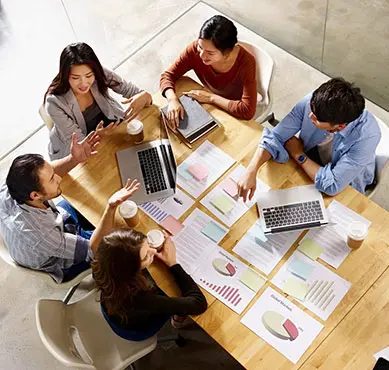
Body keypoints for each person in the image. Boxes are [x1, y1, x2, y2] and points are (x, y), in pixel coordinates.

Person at [0, 131, 141, 283]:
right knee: (126, 242)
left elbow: (46, 173)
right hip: (60, 260)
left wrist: (74, 159)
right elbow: (92, 251)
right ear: (35, 195)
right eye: (53, 179)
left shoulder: (12, 186)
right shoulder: (40, 236)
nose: (59, 178)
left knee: (92, 200)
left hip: (54, 223)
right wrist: (111, 207)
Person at [237, 78, 381, 200]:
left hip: (346, 183)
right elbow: (276, 136)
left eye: (316, 118)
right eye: (311, 111)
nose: (310, 116)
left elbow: (332, 186)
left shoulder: (366, 138)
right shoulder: (314, 103)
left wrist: (299, 155)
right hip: (312, 158)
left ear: (340, 126)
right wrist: (251, 170)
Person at [92, 229, 207, 341]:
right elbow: (199, 304)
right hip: (135, 330)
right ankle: (177, 321)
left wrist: (142, 249)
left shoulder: (104, 265)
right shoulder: (138, 298)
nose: (153, 251)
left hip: (112, 308)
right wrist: (172, 263)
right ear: (131, 271)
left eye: (148, 244)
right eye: (146, 256)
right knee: (172, 294)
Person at [45, 42, 152, 160]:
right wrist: (98, 136)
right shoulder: (54, 103)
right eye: (75, 78)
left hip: (110, 130)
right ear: (65, 76)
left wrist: (144, 96)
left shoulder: (99, 73)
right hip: (77, 147)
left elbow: (131, 90)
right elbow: (80, 144)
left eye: (89, 75)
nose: (84, 83)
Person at [160, 15, 257, 127]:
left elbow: (247, 110)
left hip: (232, 108)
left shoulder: (246, 62)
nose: (201, 55)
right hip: (210, 103)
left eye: (210, 53)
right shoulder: (194, 50)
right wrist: (172, 100)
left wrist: (210, 98)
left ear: (228, 52)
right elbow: (168, 75)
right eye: (200, 47)